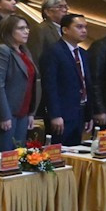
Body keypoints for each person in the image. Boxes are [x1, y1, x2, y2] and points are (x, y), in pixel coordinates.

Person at [0, 15, 40, 153]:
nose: (26, 31)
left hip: (23, 112)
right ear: (8, 31)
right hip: (8, 113)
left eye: (27, 28)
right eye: (21, 28)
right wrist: (4, 115)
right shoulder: (1, 50)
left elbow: (32, 82)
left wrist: (31, 113)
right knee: (5, 157)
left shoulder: (24, 51)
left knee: (19, 154)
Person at [40, 12, 94, 144]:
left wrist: (89, 115)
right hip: (62, 113)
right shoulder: (53, 52)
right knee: (59, 153)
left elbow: (87, 84)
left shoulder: (82, 53)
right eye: (79, 27)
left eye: (85, 27)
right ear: (65, 29)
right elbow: (50, 86)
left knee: (75, 151)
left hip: (80, 111)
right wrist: (55, 114)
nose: (84, 31)